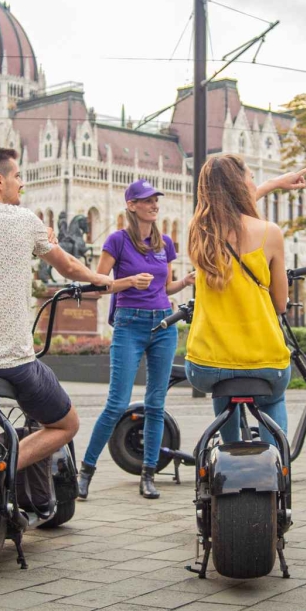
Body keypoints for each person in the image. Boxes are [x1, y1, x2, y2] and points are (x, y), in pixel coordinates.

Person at [0, 147, 113, 521]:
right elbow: (69, 267)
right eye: (17, 176)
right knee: (66, 424)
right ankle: (2, 464)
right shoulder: (24, 221)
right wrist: (102, 279)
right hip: (13, 364)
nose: (22, 183)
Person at [76, 179, 195, 501]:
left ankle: (148, 474)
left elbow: (166, 288)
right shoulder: (116, 241)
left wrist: (184, 281)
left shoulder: (165, 243)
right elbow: (98, 286)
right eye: (147, 200)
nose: (154, 205)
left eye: (156, 200)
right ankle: (85, 471)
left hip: (163, 326)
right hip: (129, 325)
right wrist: (127, 281)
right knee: (116, 403)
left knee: (156, 405)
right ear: (131, 205)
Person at [183, 155, 306, 454]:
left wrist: (274, 183)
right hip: (264, 361)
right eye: (251, 177)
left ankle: (231, 453)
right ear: (241, 185)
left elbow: (227, 207)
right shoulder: (270, 233)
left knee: (223, 388)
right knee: (273, 399)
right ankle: (277, 465)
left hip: (206, 364)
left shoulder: (199, 232)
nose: (254, 182)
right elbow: (280, 303)